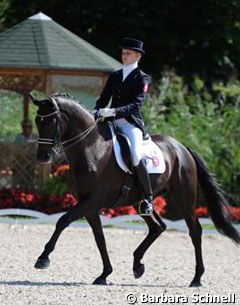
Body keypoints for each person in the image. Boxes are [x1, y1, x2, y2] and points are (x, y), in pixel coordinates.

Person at [93, 37, 153, 216]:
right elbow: (103, 99)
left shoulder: (142, 78)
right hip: (110, 122)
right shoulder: (115, 75)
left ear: (137, 56)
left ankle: (147, 199)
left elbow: (136, 104)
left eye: (128, 53)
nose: (124, 56)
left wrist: (113, 111)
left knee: (135, 156)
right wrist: (96, 111)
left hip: (129, 123)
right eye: (123, 53)